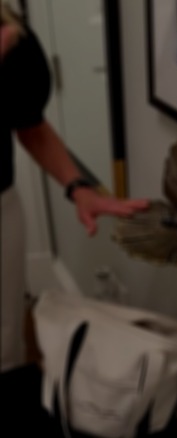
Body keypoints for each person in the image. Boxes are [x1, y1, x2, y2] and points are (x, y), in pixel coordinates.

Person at [0, 3, 149, 372]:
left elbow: (29, 124)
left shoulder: (11, 34)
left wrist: (78, 186)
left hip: (1, 209)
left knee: (4, 342)